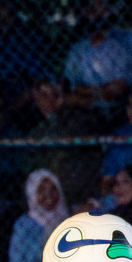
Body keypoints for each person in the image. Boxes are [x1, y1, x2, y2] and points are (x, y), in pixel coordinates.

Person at [63, 0, 132, 115]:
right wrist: (100, 92)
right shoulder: (78, 49)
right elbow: (72, 88)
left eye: (102, 7)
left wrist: (87, 94)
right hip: (85, 109)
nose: (97, 13)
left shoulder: (124, 40)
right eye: (91, 9)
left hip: (123, 105)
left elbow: (120, 88)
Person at [26, 76, 103, 204]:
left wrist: (56, 112)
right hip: (48, 196)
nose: (47, 98)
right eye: (42, 94)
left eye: (52, 93)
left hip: (79, 192)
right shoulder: (37, 130)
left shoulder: (82, 120)